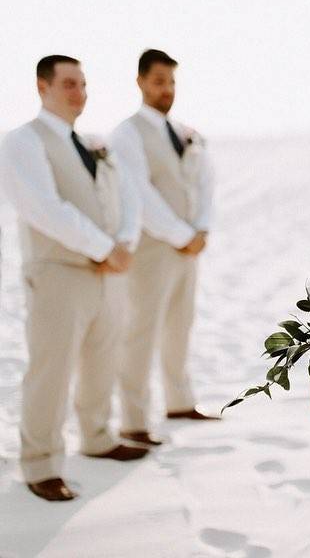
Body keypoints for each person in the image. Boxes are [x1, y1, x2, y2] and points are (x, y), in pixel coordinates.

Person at [0, 55, 147, 502]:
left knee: (102, 358)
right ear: (42, 87)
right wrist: (105, 249)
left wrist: (123, 245)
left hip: (108, 272)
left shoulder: (95, 143)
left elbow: (128, 199)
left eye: (83, 83)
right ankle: (40, 463)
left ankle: (98, 437)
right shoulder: (22, 141)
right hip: (57, 272)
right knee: (52, 368)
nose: (79, 92)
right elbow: (43, 208)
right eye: (68, 84)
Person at [110, 49, 216, 446]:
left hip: (189, 246)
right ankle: (133, 420)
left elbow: (205, 181)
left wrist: (201, 228)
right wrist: (180, 235)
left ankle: (179, 401)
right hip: (152, 248)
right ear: (140, 82)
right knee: (140, 330)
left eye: (171, 82)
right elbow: (138, 194)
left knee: (180, 325)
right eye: (159, 81)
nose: (166, 90)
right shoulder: (127, 134)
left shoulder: (187, 131)